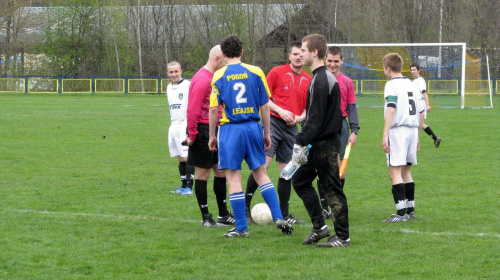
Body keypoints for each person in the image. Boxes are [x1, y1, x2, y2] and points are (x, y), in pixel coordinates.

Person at [208, 35, 293, 237]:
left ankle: (241, 228)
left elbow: (213, 109)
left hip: (231, 130)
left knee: (233, 178)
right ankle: (278, 216)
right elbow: (265, 105)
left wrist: (212, 135)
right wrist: (266, 132)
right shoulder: (256, 71)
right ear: (242, 52)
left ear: (222, 55)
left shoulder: (219, 76)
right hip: (253, 127)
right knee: (261, 173)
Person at [291, 34, 350, 247]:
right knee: (299, 181)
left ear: (314, 52)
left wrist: (299, 141)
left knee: (332, 189)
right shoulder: (318, 77)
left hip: (326, 145)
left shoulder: (322, 79)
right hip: (317, 144)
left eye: (304, 50)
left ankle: (343, 237)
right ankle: (320, 227)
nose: (301, 54)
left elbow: (315, 119)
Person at [244, 42, 310, 225]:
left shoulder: (308, 80)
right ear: (289, 55)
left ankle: (284, 213)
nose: (298, 57)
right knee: (262, 166)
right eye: (295, 54)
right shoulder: (276, 72)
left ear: (305, 56)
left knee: (287, 172)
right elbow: (262, 98)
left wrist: (299, 117)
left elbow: (307, 109)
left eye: (301, 54)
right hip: (272, 123)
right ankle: (246, 208)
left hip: (291, 129)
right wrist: (280, 110)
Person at [186, 46, 234, 227]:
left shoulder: (215, 77)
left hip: (218, 130)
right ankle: (205, 216)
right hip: (202, 131)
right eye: (225, 60)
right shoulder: (201, 79)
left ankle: (223, 214)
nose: (226, 63)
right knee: (203, 173)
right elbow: (192, 110)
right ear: (217, 58)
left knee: (220, 172)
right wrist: (192, 135)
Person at [381, 54, 424, 223]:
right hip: (413, 130)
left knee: (395, 172)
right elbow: (421, 113)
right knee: (407, 171)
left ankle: (400, 214)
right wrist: (418, 137)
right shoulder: (412, 84)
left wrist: (385, 134)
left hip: (398, 130)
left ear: (387, 69)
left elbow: (391, 109)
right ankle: (411, 209)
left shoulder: (391, 85)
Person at [319, 46, 360, 219]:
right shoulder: (319, 80)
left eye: (336, 61)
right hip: (322, 126)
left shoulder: (347, 82)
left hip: (341, 127)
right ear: (324, 60)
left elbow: (351, 107)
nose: (333, 64)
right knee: (322, 165)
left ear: (342, 61)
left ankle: (336, 205)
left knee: (339, 168)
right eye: (329, 61)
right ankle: (323, 207)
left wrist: (354, 130)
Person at [166, 61, 195, 196]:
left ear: (181, 71)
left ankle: (189, 186)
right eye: (171, 72)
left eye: (176, 71)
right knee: (179, 155)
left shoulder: (188, 85)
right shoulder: (168, 87)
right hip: (174, 125)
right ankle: (183, 185)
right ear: (167, 73)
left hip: (185, 124)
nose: (174, 74)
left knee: (186, 155)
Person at [410, 64, 441, 148]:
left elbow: (424, 93)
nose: (412, 71)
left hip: (420, 104)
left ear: (418, 71)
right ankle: (435, 138)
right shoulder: (414, 81)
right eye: (411, 70)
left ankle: (415, 143)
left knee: (418, 124)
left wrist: (427, 105)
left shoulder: (420, 80)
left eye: (414, 70)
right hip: (415, 104)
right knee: (420, 124)